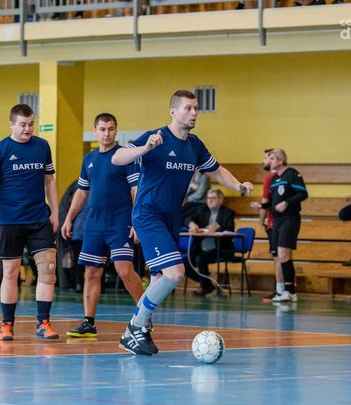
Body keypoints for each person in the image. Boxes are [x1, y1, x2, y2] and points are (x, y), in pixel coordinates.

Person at [111, 89, 253, 355]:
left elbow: (216, 170)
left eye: (196, 108)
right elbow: (116, 158)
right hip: (148, 214)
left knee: (158, 278)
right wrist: (145, 148)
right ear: (173, 111)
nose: (194, 113)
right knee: (175, 273)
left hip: (171, 218)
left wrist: (238, 185)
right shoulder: (156, 137)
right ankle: (136, 327)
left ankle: (137, 331)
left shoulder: (194, 145)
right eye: (188, 108)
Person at [0, 103, 60, 341]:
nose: (28, 129)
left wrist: (55, 213)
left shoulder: (42, 146)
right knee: (10, 272)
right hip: (10, 221)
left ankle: (43, 323)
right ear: (12, 124)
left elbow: (50, 181)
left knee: (48, 269)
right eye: (23, 125)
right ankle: (7, 324)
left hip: (39, 218)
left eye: (31, 124)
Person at [61, 113, 143, 338]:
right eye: (102, 129)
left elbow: (136, 190)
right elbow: (81, 192)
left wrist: (137, 221)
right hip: (94, 224)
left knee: (124, 270)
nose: (107, 133)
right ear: (95, 131)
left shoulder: (125, 157)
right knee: (91, 272)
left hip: (120, 223)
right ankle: (89, 323)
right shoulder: (89, 159)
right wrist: (68, 218)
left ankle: (144, 316)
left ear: (116, 130)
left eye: (111, 129)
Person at [259, 149, 308, 302]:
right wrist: (262, 207)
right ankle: (290, 292)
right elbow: (274, 204)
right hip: (277, 220)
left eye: (272, 158)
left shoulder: (292, 174)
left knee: (284, 254)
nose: (269, 161)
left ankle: (288, 291)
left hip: (290, 218)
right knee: (280, 255)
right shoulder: (274, 180)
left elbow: (303, 193)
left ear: (280, 161)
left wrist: (287, 203)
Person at [184, 189, 236, 296]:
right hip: (200, 248)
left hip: (220, 249)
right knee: (184, 262)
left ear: (220, 199)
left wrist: (218, 227)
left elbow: (230, 229)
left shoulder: (228, 213)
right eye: (208, 198)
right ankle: (207, 284)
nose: (209, 201)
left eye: (213, 198)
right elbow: (187, 218)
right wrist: (191, 224)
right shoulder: (202, 209)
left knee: (201, 259)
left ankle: (204, 286)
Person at [250, 149, 284, 300]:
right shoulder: (277, 178)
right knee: (281, 256)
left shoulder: (271, 178)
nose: (264, 161)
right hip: (278, 221)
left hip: (273, 222)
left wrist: (261, 220)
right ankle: (284, 288)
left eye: (267, 158)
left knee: (278, 257)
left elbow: (265, 201)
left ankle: (280, 289)